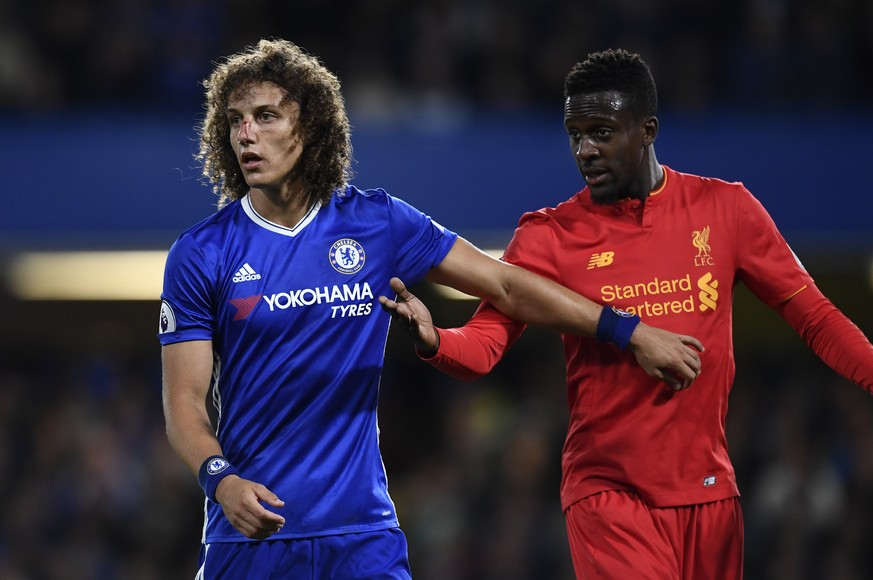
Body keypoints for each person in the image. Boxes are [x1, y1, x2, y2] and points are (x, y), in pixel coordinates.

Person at [157, 39, 705, 579]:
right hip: (252, 533)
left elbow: (507, 286)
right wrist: (220, 480)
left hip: (362, 536)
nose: (246, 134)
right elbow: (184, 403)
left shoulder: (378, 223)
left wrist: (627, 331)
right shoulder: (202, 252)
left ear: (311, 128)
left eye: (266, 116)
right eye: (235, 120)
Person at [379, 48, 873, 579]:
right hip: (609, 495)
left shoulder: (726, 209)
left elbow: (816, 319)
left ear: (647, 130)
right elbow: (483, 348)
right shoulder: (548, 236)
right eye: (575, 134)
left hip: (709, 494)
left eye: (602, 132)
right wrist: (436, 341)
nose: (585, 150)